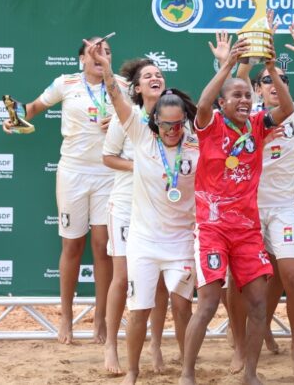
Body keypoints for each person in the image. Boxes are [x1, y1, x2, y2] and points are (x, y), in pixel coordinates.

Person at [85, 39, 200, 385]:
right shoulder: (140, 135)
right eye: (166, 125)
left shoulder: (195, 144)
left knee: (182, 309)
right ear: (154, 123)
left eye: (178, 124)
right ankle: (132, 372)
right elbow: (119, 101)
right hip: (144, 241)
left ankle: (187, 371)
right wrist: (106, 71)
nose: (172, 130)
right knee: (140, 310)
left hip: (181, 240)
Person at [180, 38, 294, 385]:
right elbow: (201, 103)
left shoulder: (258, 125)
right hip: (212, 228)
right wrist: (228, 65)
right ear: (223, 102)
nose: (244, 100)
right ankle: (187, 373)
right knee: (210, 302)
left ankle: (250, 373)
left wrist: (272, 69)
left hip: (247, 230)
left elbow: (287, 110)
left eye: (248, 95)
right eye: (237, 96)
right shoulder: (209, 123)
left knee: (258, 302)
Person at [226, 24, 294, 375]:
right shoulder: (246, 116)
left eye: (280, 82)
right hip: (247, 210)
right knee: (240, 281)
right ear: (256, 90)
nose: (274, 86)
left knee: (293, 279)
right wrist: (246, 57)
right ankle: (240, 348)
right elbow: (232, 86)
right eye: (266, 83)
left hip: (286, 208)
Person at [2, 36, 128, 344]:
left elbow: (141, 118)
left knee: (102, 247)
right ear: (82, 59)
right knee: (72, 246)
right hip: (73, 173)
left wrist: (119, 118)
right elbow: (32, 108)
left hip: (109, 173)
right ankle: (67, 320)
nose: (101, 56)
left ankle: (101, 322)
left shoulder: (122, 85)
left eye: (106, 52)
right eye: (94, 52)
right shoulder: (66, 82)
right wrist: (15, 118)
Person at [102, 59, 171, 374]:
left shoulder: (173, 116)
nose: (155, 78)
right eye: (148, 76)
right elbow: (107, 157)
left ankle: (155, 345)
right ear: (138, 87)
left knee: (158, 282)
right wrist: (138, 166)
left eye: (158, 74)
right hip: (127, 205)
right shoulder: (124, 117)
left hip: (159, 208)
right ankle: (111, 346)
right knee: (121, 276)